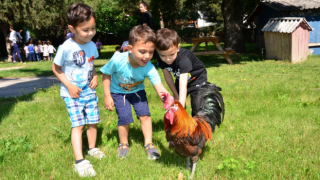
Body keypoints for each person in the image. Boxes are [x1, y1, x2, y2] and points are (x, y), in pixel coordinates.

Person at [52, 2, 105, 177]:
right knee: (78, 125)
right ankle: (79, 161)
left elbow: (91, 64)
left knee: (93, 120)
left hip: (88, 90)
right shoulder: (66, 48)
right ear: (72, 28)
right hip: (72, 93)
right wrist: (69, 85)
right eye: (85, 30)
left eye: (93, 28)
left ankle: (92, 148)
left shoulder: (91, 44)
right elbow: (56, 68)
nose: (90, 33)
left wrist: (95, 76)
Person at [100, 25, 169, 160]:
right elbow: (106, 75)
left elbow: (159, 86)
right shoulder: (117, 60)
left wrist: (167, 98)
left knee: (145, 116)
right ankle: (123, 144)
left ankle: (149, 144)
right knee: (125, 118)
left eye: (151, 52)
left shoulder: (149, 67)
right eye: (142, 52)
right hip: (119, 93)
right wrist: (107, 96)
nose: (147, 56)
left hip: (137, 92)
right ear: (130, 49)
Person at [155, 28, 208, 117]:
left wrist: (181, 107)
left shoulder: (184, 60)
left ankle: (197, 124)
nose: (168, 59)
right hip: (181, 77)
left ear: (178, 47)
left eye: (171, 54)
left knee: (196, 105)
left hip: (197, 78)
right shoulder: (159, 58)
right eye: (163, 55)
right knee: (177, 101)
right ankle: (181, 123)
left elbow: (183, 85)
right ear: (157, 51)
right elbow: (167, 76)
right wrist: (175, 95)